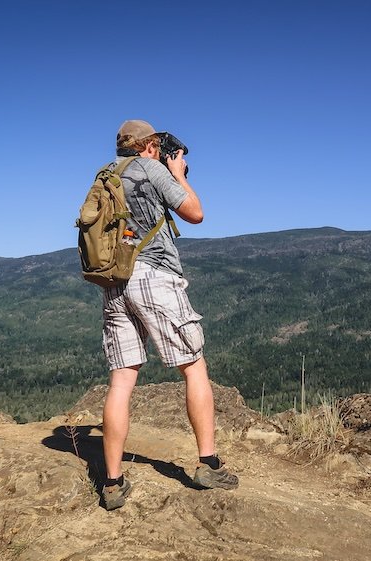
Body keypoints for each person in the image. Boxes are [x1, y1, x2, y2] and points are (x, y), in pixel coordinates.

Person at [98, 119, 238, 511]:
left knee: (122, 380)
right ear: (149, 145)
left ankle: (112, 483)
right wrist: (177, 174)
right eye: (157, 146)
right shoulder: (154, 168)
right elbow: (195, 213)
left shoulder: (106, 174)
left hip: (115, 281)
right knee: (194, 367)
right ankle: (208, 464)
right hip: (155, 276)